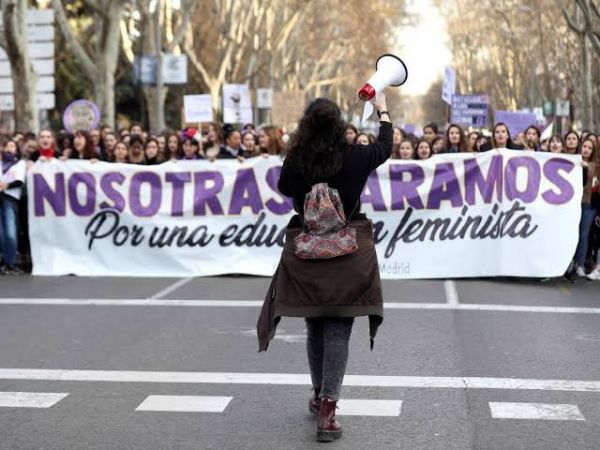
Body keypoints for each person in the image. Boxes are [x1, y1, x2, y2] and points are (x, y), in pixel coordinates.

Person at [257, 95, 391, 443]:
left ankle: (318, 395)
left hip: (307, 254)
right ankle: (329, 409)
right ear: (338, 126)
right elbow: (386, 146)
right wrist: (383, 110)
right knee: (338, 330)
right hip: (348, 255)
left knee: (314, 325)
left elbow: (284, 187)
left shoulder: (297, 160)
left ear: (306, 125)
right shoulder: (356, 157)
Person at [0, 139, 26, 275]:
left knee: (10, 232)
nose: (9, 149)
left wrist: (6, 186)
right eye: (7, 146)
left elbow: (19, 181)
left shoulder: (19, 164)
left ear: (16, 150)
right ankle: (5, 262)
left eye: (12, 146)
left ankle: (11, 262)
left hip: (10, 199)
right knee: (1, 234)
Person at [573, 138, 598, 277]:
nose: (586, 149)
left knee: (583, 235)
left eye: (589, 147)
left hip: (588, 205)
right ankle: (570, 263)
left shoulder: (595, 166)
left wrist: (586, 166)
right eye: (584, 146)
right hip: (572, 203)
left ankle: (580, 265)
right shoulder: (573, 161)